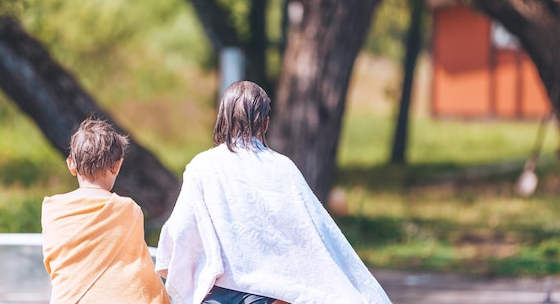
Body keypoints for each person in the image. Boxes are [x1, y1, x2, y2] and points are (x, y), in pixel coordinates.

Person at [155, 81, 392, 304]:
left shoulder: (203, 165)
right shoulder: (283, 167)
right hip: (269, 296)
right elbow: (309, 234)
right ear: (265, 123)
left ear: (222, 119)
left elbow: (182, 229)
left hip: (217, 293)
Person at [41, 117, 171, 304]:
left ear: (71, 165)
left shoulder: (52, 210)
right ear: (117, 165)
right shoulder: (127, 209)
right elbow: (138, 272)